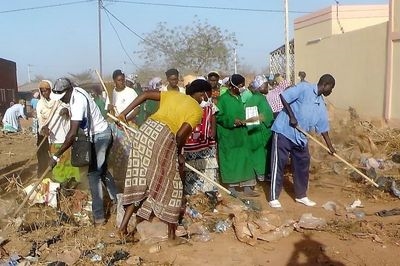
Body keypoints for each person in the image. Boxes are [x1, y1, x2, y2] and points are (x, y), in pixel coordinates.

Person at [117, 79, 207, 240]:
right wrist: (178, 154)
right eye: (204, 95)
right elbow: (180, 135)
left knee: (139, 180)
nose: (204, 99)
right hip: (163, 138)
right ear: (200, 93)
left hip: (145, 132)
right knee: (174, 186)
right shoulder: (197, 110)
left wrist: (124, 113)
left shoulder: (173, 95)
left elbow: (145, 95)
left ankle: (123, 228)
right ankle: (172, 236)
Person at [49, 77, 117, 225]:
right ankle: (117, 200)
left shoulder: (77, 101)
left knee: (93, 174)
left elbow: (72, 135)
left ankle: (98, 216)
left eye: (63, 97)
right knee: (102, 170)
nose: (62, 100)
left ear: (68, 91)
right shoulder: (76, 93)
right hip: (96, 135)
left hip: (101, 136)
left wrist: (56, 156)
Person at [268, 74, 336, 208]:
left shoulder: (321, 104)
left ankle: (301, 195)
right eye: (331, 88)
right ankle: (273, 197)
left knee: (303, 164)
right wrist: (292, 117)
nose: (331, 91)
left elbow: (323, 127)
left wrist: (330, 146)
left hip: (300, 137)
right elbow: (284, 96)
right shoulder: (304, 88)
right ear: (325, 85)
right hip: (284, 131)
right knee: (278, 164)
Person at [216, 74, 258, 197]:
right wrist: (233, 121)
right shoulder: (223, 99)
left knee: (245, 159)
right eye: (240, 86)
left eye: (243, 85)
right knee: (230, 161)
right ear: (233, 86)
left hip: (242, 134)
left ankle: (247, 188)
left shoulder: (240, 97)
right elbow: (218, 116)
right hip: (229, 135)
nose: (242, 88)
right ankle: (232, 187)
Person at [36, 80, 79, 182]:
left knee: (69, 162)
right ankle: (60, 184)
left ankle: (73, 184)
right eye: (42, 91)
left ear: (51, 90)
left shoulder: (60, 101)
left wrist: (67, 111)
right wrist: (43, 128)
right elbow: (40, 122)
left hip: (65, 137)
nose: (44, 93)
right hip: (53, 140)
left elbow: (73, 113)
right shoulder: (40, 105)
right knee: (57, 162)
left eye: (46, 90)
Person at [183, 79, 219, 194]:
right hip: (189, 144)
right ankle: (192, 195)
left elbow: (213, 115)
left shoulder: (208, 104)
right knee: (190, 170)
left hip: (206, 143)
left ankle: (209, 194)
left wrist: (213, 131)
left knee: (208, 169)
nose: (206, 96)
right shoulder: (186, 103)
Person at [246, 76, 274, 181]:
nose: (268, 87)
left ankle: (265, 173)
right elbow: (259, 117)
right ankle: (261, 174)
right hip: (260, 133)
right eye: (266, 85)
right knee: (260, 155)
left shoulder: (260, 98)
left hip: (264, 131)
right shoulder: (256, 99)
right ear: (260, 87)